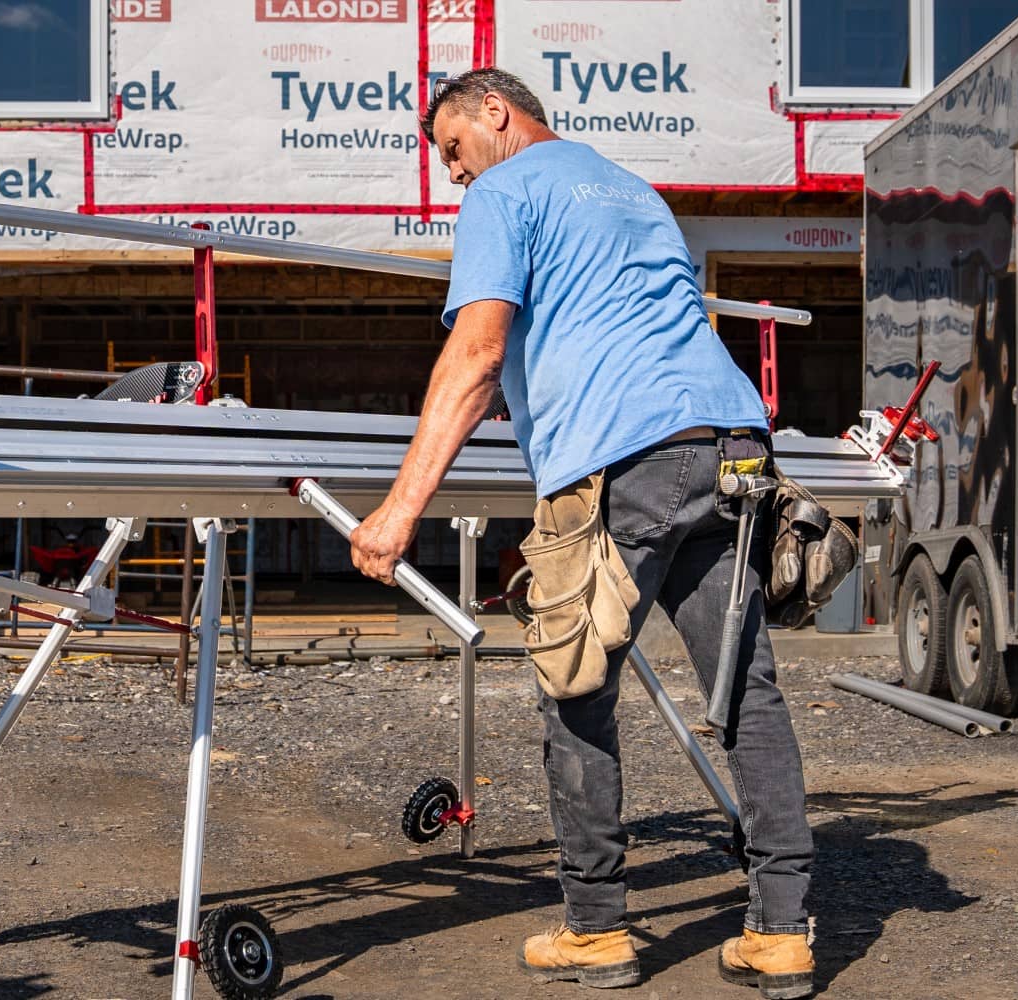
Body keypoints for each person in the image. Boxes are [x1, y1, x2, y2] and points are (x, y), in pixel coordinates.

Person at [345, 68, 817, 997]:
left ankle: (597, 930)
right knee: (747, 692)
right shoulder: (632, 190)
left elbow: (478, 352)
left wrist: (399, 509)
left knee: (577, 683)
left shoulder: (504, 191)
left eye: (453, 148)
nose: (453, 172)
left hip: (622, 459)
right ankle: (781, 933)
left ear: (495, 111)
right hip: (730, 445)